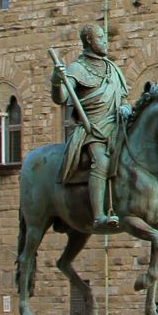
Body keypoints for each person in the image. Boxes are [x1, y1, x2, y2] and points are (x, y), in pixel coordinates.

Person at [50, 23, 130, 232]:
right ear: (89, 41)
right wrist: (56, 81)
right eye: (101, 38)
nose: (105, 42)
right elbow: (61, 98)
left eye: (105, 38)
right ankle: (99, 216)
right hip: (92, 130)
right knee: (102, 162)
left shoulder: (112, 68)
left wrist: (124, 108)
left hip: (116, 125)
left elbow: (122, 96)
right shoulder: (77, 68)